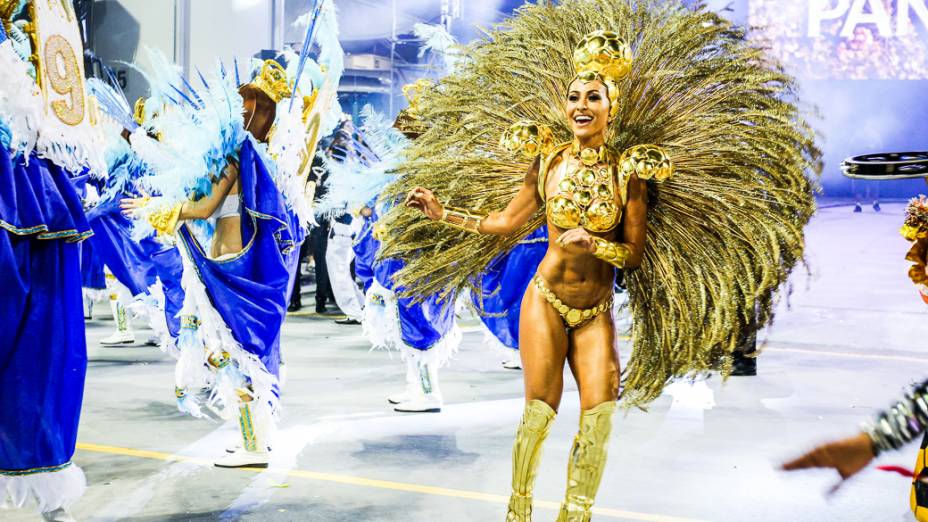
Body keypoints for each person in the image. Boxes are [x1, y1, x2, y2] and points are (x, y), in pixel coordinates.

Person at [384, 2, 819, 519]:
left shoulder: (629, 171)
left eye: (594, 96)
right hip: (544, 301)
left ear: (611, 107)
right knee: (540, 411)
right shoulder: (547, 160)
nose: (581, 105)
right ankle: (519, 509)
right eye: (574, 97)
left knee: (600, 414)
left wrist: (597, 246)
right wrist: (443, 212)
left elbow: (632, 256)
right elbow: (504, 223)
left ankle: (576, 512)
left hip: (594, 311)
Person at [0, 3, 106, 519]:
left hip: (30, 196)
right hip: (31, 196)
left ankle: (49, 498)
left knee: (43, 354)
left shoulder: (37, 164)